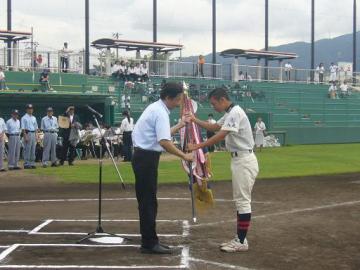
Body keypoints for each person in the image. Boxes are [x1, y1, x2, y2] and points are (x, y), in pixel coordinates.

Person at [187, 88, 259, 253]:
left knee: (242, 202)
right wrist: (194, 120)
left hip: (244, 160)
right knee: (241, 202)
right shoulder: (230, 112)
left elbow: (221, 134)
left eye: (214, 103)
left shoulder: (235, 112)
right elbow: (213, 126)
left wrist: (198, 146)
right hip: (239, 159)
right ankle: (240, 238)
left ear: (222, 99)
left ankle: (241, 241)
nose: (213, 107)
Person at [131, 82, 193, 254]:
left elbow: (162, 134)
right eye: (177, 100)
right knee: (148, 202)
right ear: (168, 98)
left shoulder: (157, 109)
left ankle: (150, 240)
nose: (179, 103)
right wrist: (184, 155)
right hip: (146, 159)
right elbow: (164, 142)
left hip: (145, 157)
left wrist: (180, 124)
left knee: (148, 201)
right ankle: (149, 243)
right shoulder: (160, 112)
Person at [21, 104, 39, 169]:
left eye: (31, 108)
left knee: (33, 149)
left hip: (33, 133)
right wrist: (25, 136)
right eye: (29, 108)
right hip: (27, 133)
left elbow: (36, 128)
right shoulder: (24, 117)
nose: (30, 110)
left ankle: (32, 163)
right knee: (27, 149)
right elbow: (23, 129)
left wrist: (37, 135)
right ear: (26, 109)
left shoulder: (34, 118)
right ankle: (26, 163)